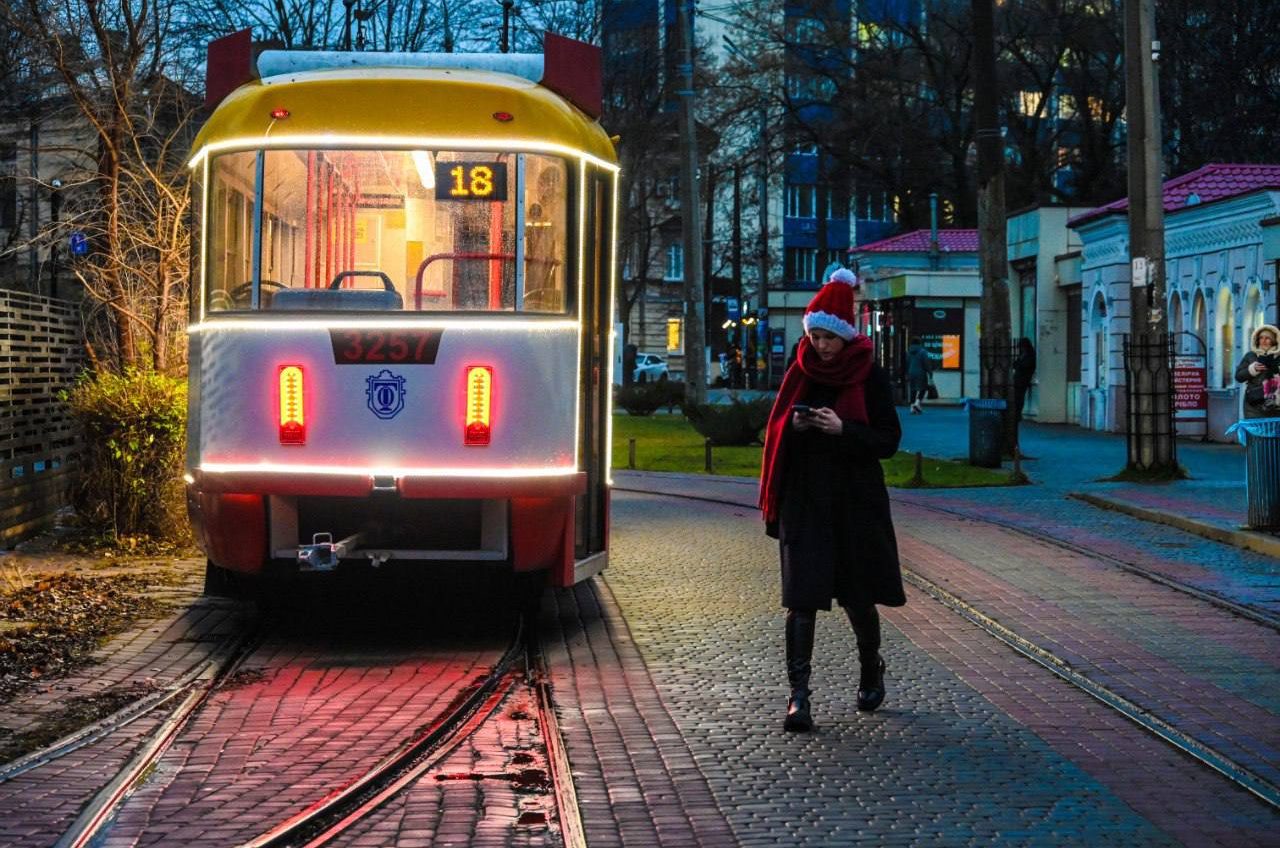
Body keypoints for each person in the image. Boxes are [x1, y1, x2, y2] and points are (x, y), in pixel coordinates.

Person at [759, 267, 906, 733]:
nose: (820, 346)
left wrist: (844, 430)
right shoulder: (798, 369)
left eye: (828, 338)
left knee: (857, 596)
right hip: (803, 498)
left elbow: (888, 439)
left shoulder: (869, 375)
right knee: (801, 599)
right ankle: (798, 697)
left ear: (846, 336)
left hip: (854, 501)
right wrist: (796, 427)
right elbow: (775, 427)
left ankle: (870, 667)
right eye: (814, 335)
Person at [1235, 324, 1280, 419]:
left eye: (1267, 338)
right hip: (1254, 404)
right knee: (1255, 432)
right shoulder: (1251, 355)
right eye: (1261, 338)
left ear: (1275, 340)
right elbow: (1239, 377)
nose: (1263, 341)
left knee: (1275, 432)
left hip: (1277, 404)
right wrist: (1252, 370)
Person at [905, 339, 934, 414]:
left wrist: (907, 373)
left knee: (913, 390)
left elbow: (907, 363)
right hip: (921, 373)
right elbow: (926, 363)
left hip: (911, 372)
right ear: (919, 343)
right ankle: (917, 403)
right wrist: (930, 373)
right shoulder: (922, 352)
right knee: (923, 388)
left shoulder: (908, 352)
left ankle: (912, 407)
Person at [1012, 337, 1037, 422]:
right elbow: (1015, 364)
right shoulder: (1023, 355)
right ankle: (1016, 413)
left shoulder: (1030, 355)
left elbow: (1025, 366)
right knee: (1017, 397)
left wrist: (1018, 364)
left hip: (1023, 379)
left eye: (1022, 347)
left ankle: (1017, 414)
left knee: (1019, 397)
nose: (1021, 349)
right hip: (1018, 378)